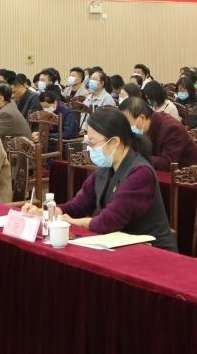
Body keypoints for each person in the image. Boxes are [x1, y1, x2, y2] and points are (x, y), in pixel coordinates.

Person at [31, 106, 176, 251]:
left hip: (152, 250)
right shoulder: (106, 168)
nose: (89, 148)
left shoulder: (141, 173)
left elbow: (108, 222)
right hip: (120, 246)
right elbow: (78, 205)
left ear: (114, 142)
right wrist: (49, 212)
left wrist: (73, 222)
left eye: (92, 143)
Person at [120, 97, 197, 171]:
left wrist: (136, 158)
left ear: (142, 118)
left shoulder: (171, 128)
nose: (127, 128)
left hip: (190, 177)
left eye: (128, 123)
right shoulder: (146, 127)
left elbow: (167, 163)